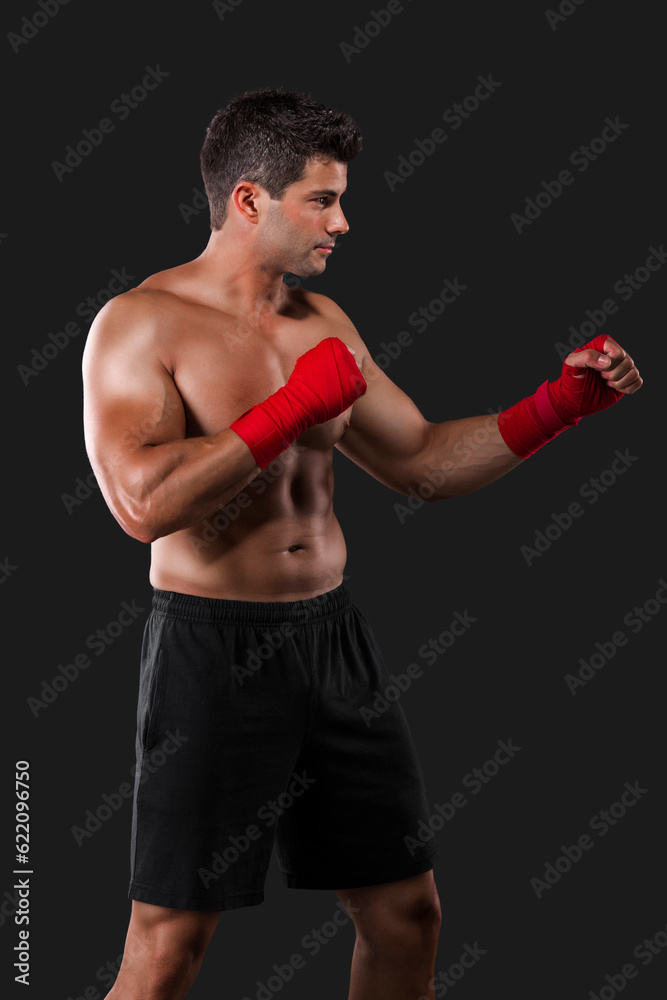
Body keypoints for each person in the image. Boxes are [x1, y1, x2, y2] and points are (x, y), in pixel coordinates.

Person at [81, 88, 642, 1000]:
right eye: (322, 199)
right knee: (168, 946)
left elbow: (420, 462)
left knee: (405, 915)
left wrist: (557, 408)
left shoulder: (323, 322)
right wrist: (289, 409)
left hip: (333, 645)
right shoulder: (142, 323)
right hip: (212, 650)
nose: (342, 220)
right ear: (250, 200)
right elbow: (142, 504)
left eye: (341, 198)